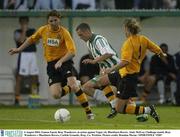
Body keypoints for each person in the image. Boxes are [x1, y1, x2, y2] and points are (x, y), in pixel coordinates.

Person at [9, 10, 94, 120]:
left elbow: (72, 52)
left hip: (64, 61)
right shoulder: (43, 30)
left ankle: (89, 112)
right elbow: (31, 39)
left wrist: (61, 61)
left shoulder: (64, 32)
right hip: (51, 65)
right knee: (55, 95)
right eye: (51, 21)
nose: (53, 22)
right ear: (47, 21)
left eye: (55, 20)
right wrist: (18, 49)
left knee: (73, 84)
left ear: (59, 20)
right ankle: (74, 86)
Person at [87, 18, 166, 123]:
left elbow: (125, 62)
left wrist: (110, 69)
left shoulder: (128, 43)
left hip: (127, 77)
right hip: (122, 73)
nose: (124, 31)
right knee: (101, 80)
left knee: (120, 109)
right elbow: (158, 50)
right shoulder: (143, 39)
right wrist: (162, 56)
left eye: (124, 29)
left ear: (127, 29)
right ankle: (113, 103)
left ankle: (148, 110)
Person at [76, 23, 120, 118]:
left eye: (80, 35)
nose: (80, 37)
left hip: (116, 70)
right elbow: (101, 57)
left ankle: (145, 110)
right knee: (85, 87)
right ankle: (113, 103)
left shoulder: (98, 40)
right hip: (107, 72)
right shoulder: (88, 43)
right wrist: (101, 70)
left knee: (125, 99)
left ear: (87, 32)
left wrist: (93, 61)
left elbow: (108, 53)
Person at [14, 16, 39, 105]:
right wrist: (24, 31)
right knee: (19, 77)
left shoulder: (32, 30)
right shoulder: (17, 32)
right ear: (20, 23)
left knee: (34, 77)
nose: (24, 24)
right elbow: (20, 41)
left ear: (28, 22)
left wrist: (31, 37)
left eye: (25, 22)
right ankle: (17, 100)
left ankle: (34, 99)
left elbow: (37, 41)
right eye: (22, 22)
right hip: (23, 55)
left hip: (32, 54)